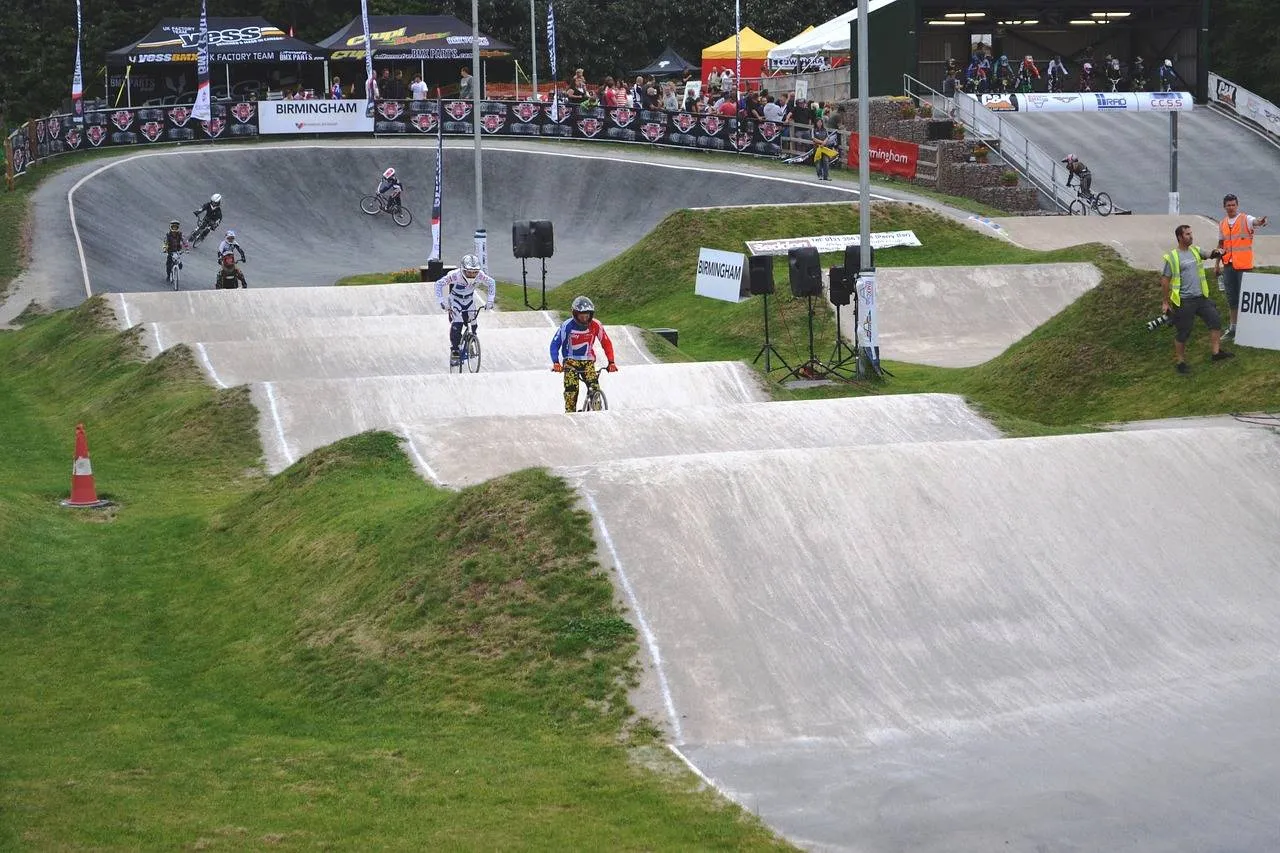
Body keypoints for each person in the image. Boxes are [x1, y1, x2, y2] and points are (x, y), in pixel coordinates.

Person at [1160, 224, 1229, 374]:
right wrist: (1165, 302)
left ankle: (1216, 353)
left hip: (1201, 298)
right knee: (1184, 332)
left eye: (1191, 233)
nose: (1191, 236)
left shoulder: (1195, 250)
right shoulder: (1173, 256)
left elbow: (1209, 254)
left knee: (1215, 321)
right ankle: (1180, 362)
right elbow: (1165, 280)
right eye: (1187, 234)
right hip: (1185, 301)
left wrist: (1217, 252)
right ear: (1179, 237)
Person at [1215, 193, 1269, 340]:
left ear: (1237, 205)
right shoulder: (1222, 224)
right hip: (1228, 266)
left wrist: (1261, 221)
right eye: (1228, 205)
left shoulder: (1246, 219)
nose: (1231, 207)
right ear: (1224, 207)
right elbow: (1221, 245)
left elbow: (1256, 222)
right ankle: (1233, 328)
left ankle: (1249, 329)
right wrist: (1217, 264)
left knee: (1246, 298)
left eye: (1233, 205)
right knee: (1232, 298)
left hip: (1244, 266)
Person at [550, 296, 616, 413]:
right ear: (575, 314)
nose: (585, 319)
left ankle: (596, 410)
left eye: (587, 315)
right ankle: (570, 413)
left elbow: (606, 343)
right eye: (582, 315)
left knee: (595, 388)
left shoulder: (596, 325)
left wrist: (611, 362)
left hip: (588, 362)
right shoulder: (567, 326)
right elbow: (555, 344)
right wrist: (556, 362)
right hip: (571, 361)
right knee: (571, 389)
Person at [435, 254, 495, 366]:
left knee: (474, 322)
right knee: (457, 324)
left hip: (469, 300)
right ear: (462, 270)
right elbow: (439, 284)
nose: (472, 275)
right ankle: (455, 351)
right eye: (469, 272)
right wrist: (442, 302)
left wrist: (490, 301)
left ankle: (471, 340)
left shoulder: (480, 276)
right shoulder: (454, 275)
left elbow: (491, 283)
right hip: (455, 300)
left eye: (475, 272)